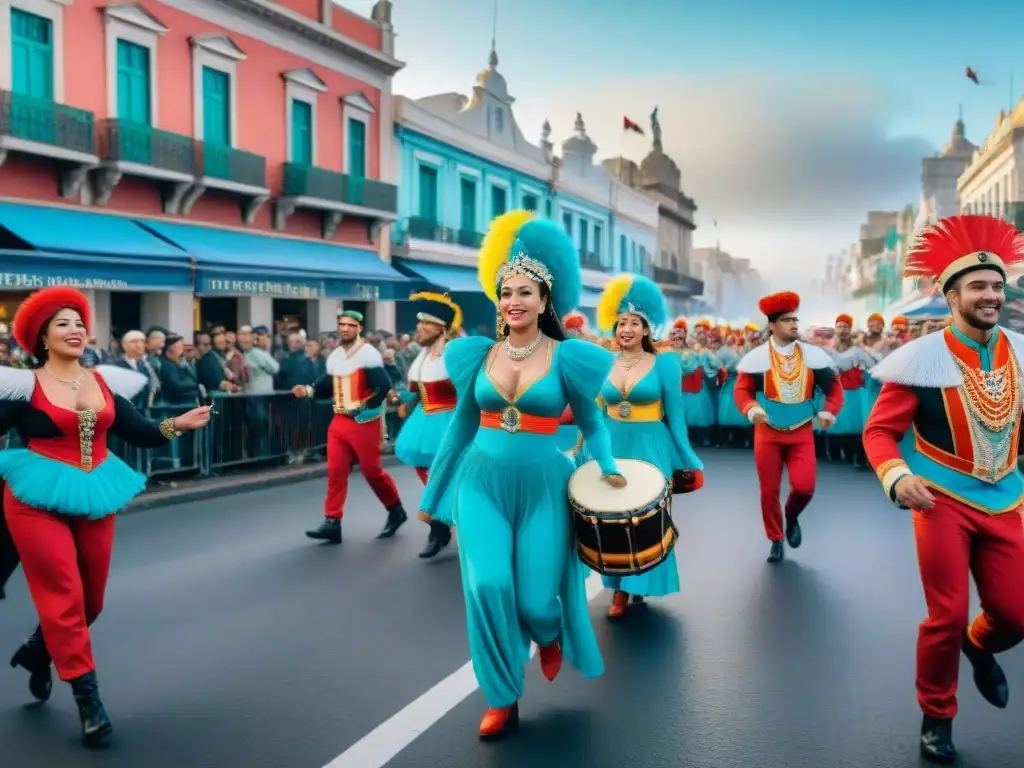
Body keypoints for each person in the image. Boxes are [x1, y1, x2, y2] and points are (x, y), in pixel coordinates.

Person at [417, 210, 624, 739]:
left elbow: (594, 423)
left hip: (544, 488)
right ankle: (502, 696)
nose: (513, 301)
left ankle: (549, 634)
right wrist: (435, 493)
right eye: (506, 292)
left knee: (535, 601)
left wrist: (608, 468)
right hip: (480, 483)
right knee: (487, 586)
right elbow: (459, 428)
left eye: (525, 292)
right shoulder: (474, 357)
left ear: (544, 299)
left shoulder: (570, 357)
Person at [0, 286, 210, 745]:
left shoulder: (103, 381)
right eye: (63, 324)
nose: (75, 330)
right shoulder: (21, 387)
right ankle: (88, 701)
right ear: (41, 337)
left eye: (79, 322)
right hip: (35, 497)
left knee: (91, 601)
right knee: (63, 594)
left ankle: (39, 652)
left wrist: (180, 423)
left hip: (95, 490)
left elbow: (140, 432)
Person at [862, 214, 1024, 764]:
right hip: (940, 500)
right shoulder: (921, 358)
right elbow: (881, 431)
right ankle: (937, 716)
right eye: (978, 286)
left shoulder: (1022, 353)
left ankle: (979, 647)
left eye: (998, 286)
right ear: (951, 294)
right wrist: (897, 475)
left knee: (1016, 615)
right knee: (945, 615)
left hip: (1006, 499)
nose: (991, 295)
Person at [580, 273, 703, 618]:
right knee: (612, 516)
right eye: (621, 323)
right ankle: (619, 588)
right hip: (611, 441)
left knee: (646, 515)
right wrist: (583, 451)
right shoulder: (604, 361)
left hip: (651, 444)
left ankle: (640, 583)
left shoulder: (665, 363)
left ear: (647, 329)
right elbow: (595, 410)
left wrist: (687, 458)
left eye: (634, 323)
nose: (627, 329)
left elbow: (676, 417)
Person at [733, 291, 843, 563]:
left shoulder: (813, 357)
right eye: (786, 320)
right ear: (771, 325)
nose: (794, 324)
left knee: (805, 487)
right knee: (769, 491)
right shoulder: (757, 358)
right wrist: (751, 408)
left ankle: (791, 516)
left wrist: (829, 410)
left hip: (802, 430)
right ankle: (775, 538)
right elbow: (742, 391)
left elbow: (834, 390)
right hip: (766, 431)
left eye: (795, 319)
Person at [293, 309, 409, 544]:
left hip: (363, 422)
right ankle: (332, 521)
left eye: (349, 325)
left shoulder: (368, 355)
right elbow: (327, 383)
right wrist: (308, 390)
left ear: (359, 329)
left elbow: (383, 386)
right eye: (341, 324)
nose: (344, 328)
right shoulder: (336, 356)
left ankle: (396, 510)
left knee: (372, 472)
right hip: (339, 421)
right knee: (336, 471)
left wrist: (365, 407)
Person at [392, 292, 461, 559]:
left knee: (451, 473)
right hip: (424, 419)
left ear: (441, 328)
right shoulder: (421, 358)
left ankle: (447, 523)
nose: (419, 329)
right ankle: (439, 522)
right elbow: (416, 390)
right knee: (426, 470)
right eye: (419, 323)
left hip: (450, 419)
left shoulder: (453, 354)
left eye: (427, 324)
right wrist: (400, 399)